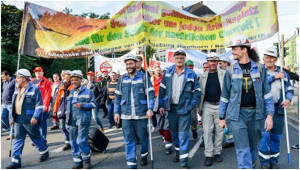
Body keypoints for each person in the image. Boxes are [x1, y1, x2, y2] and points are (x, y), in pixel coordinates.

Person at [219, 37, 274, 169]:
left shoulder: (260, 69)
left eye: (235, 49)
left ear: (244, 50)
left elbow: (267, 94)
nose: (232, 52)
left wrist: (270, 115)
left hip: (256, 115)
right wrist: (221, 117)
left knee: (252, 147)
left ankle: (251, 166)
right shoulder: (230, 71)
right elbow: (225, 96)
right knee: (243, 149)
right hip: (238, 116)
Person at [159, 49, 201, 168]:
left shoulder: (191, 74)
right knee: (174, 134)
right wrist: (161, 105)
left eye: (182, 58)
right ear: (173, 59)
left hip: (184, 109)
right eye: (177, 58)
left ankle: (184, 161)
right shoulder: (168, 72)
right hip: (171, 109)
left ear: (184, 59)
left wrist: (191, 104)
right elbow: (162, 90)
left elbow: (197, 91)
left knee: (183, 135)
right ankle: (178, 152)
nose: (179, 60)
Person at [114, 54, 155, 169]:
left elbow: (151, 95)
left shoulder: (143, 77)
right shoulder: (122, 79)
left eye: (131, 63)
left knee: (143, 138)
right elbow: (117, 97)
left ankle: (144, 155)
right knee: (129, 140)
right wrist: (116, 112)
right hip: (126, 116)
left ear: (136, 64)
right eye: (127, 64)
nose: (129, 66)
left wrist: (150, 108)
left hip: (141, 115)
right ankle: (131, 164)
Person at [258, 47, 294, 169]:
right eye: (267, 57)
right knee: (265, 136)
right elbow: (259, 86)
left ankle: (274, 160)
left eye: (272, 57)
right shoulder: (260, 71)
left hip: (278, 109)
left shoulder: (283, 73)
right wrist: (274, 77)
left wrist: (288, 99)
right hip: (264, 110)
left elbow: (289, 88)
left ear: (276, 59)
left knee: (276, 137)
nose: (269, 60)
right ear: (263, 58)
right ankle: (264, 162)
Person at [6, 69, 49, 169]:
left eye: (18, 77)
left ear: (24, 78)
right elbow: (13, 105)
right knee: (18, 138)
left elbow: (39, 105)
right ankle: (15, 161)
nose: (16, 79)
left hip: (30, 119)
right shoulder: (17, 89)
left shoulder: (34, 89)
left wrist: (35, 116)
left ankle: (44, 151)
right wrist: (11, 117)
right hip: (17, 119)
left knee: (36, 137)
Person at [198, 53, 226, 166]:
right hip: (207, 106)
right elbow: (200, 94)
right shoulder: (203, 76)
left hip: (220, 105)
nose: (213, 63)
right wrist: (199, 109)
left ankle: (217, 152)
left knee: (219, 130)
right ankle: (208, 155)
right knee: (207, 131)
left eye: (215, 61)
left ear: (217, 62)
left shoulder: (224, 74)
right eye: (210, 61)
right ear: (208, 62)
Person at [66, 70, 96, 169]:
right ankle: (77, 160)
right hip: (71, 120)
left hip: (83, 119)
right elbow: (67, 106)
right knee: (73, 141)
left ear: (81, 80)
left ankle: (86, 160)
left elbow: (94, 104)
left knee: (81, 140)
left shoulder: (88, 91)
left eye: (76, 80)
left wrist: (83, 105)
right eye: (72, 80)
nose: (74, 82)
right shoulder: (70, 91)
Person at [152, 65, 173, 155]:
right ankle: (164, 136)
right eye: (157, 70)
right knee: (159, 126)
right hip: (156, 101)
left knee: (166, 126)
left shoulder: (168, 79)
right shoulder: (151, 79)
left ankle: (168, 145)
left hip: (167, 102)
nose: (159, 72)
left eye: (160, 70)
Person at [53, 70, 72, 150]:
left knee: (68, 127)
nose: (66, 78)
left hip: (70, 110)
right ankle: (67, 142)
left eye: (68, 77)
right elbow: (57, 99)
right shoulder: (61, 86)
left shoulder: (73, 86)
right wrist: (55, 110)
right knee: (62, 127)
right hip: (61, 110)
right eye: (65, 76)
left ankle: (72, 141)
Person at [31, 66, 52, 141]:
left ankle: (43, 139)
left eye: (39, 71)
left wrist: (45, 106)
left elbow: (48, 94)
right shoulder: (32, 81)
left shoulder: (46, 81)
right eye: (36, 72)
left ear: (42, 72)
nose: (37, 73)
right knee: (35, 124)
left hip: (42, 106)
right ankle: (37, 139)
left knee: (42, 124)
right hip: (33, 106)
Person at [184, 60, 199, 139]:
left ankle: (194, 129)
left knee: (193, 118)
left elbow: (197, 88)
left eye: (191, 67)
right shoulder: (181, 75)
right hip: (183, 102)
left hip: (192, 101)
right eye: (188, 67)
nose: (190, 68)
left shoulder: (194, 75)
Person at [1, 71, 16, 138]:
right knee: (3, 117)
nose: (2, 79)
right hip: (4, 103)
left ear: (7, 75)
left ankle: (12, 133)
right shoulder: (4, 82)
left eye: (3, 77)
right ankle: (12, 130)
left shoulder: (14, 81)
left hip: (11, 103)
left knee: (11, 119)